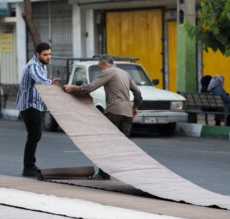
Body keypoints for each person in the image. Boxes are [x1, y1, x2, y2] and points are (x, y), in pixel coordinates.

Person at [63, 54, 142, 179]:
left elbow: (91, 87)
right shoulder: (124, 73)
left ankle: (103, 174)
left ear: (105, 64)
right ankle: (128, 175)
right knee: (122, 146)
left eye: (100, 68)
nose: (100, 71)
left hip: (114, 112)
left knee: (104, 143)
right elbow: (137, 92)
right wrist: (135, 107)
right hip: (127, 114)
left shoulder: (108, 72)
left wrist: (74, 88)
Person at [17, 42, 60, 177]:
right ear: (37, 55)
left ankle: (30, 165)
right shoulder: (33, 65)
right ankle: (28, 167)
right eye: (45, 55)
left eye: (49, 54)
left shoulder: (42, 65)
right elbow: (38, 78)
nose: (48, 57)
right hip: (29, 105)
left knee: (36, 135)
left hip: (37, 104)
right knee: (34, 135)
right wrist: (49, 83)